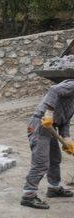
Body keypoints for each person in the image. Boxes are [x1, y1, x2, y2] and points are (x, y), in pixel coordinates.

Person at [21, 80, 74, 209]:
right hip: (40, 124)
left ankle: (53, 188)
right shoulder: (72, 85)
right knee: (41, 162)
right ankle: (29, 195)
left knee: (55, 159)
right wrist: (49, 112)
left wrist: (67, 139)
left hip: (50, 128)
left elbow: (65, 120)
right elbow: (54, 89)